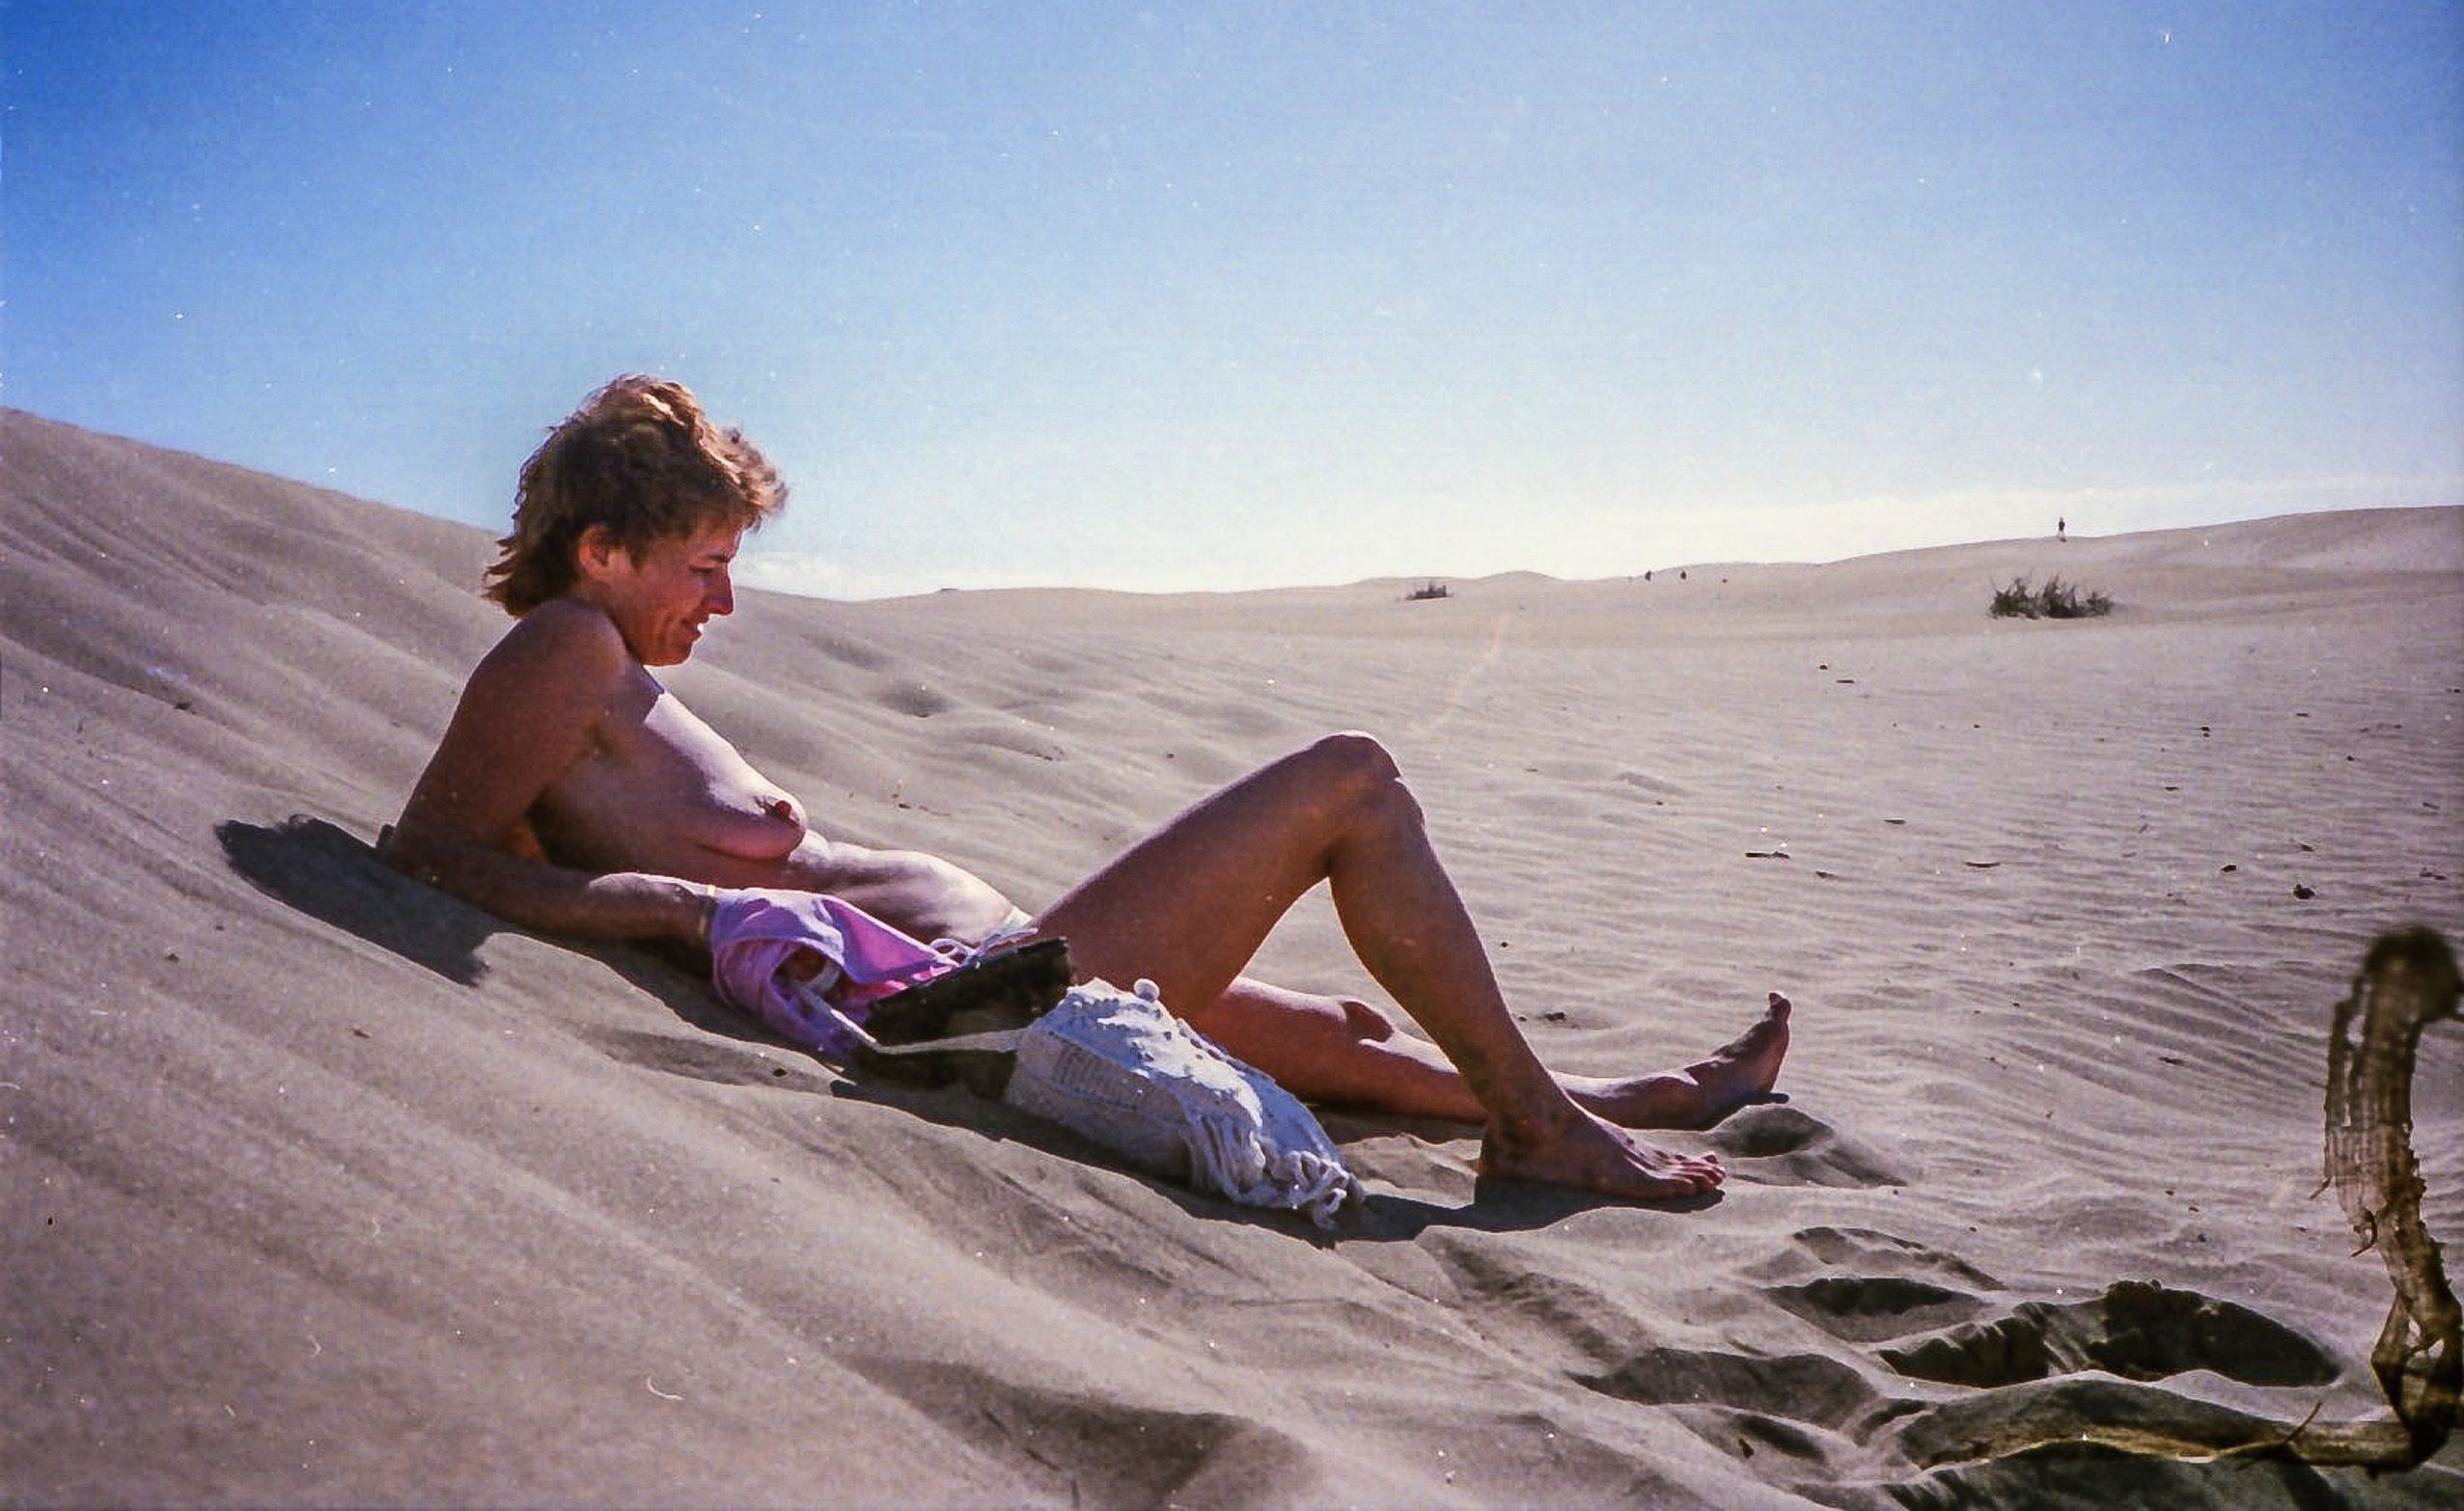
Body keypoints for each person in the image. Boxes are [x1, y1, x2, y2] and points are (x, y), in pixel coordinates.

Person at [381, 376, 1789, 1203]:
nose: (725, 602)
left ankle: (1626, 1097)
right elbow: (432, 850)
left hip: (1000, 972)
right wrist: (667, 907)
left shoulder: (605, 673)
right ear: (604, 549)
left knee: (1340, 1031)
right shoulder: (562, 648)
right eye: (704, 567)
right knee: (1351, 782)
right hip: (970, 1009)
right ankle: (1541, 1128)